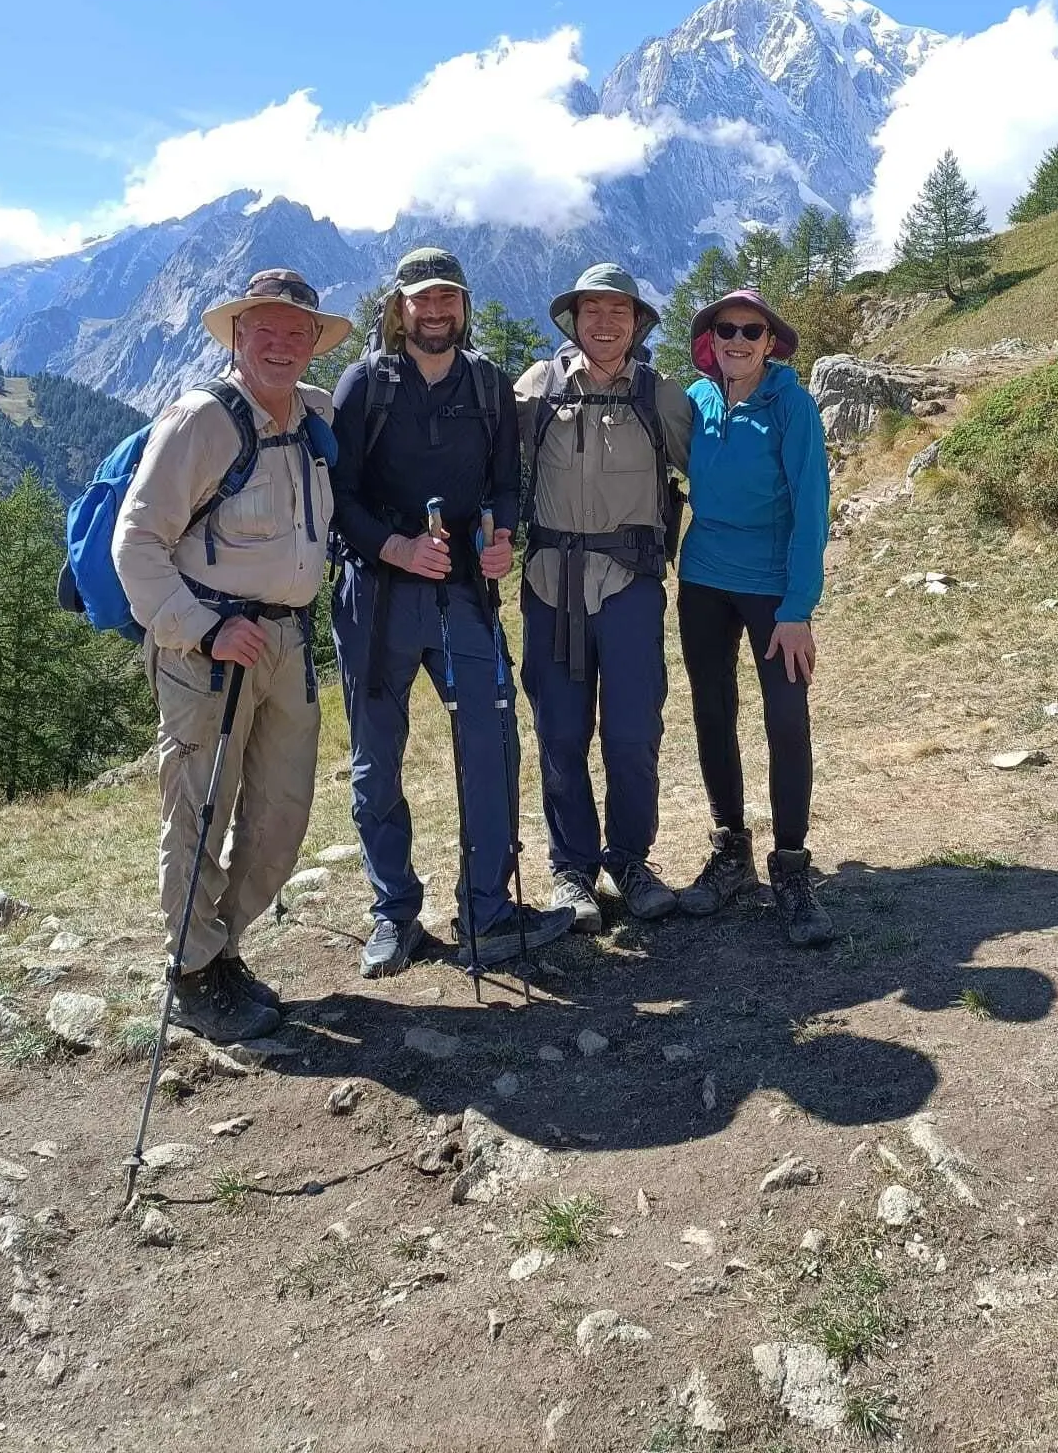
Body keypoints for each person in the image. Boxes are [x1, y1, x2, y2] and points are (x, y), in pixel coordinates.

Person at [113, 268, 350, 1044]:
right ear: (238, 335)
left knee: (280, 813)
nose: (281, 345)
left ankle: (223, 950)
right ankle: (192, 970)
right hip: (209, 650)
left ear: (314, 342)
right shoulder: (200, 423)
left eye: (296, 332)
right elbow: (136, 543)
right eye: (265, 330)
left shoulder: (313, 414)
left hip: (287, 641)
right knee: (197, 812)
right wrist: (203, 627)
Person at [330, 248, 572, 978]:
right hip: (376, 600)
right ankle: (393, 914)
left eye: (448, 300)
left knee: (493, 744)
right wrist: (395, 548)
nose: (435, 313)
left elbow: (504, 484)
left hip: (464, 592)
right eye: (421, 301)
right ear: (398, 308)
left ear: (463, 305)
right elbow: (336, 499)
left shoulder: (489, 385)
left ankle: (488, 909)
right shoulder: (363, 386)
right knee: (377, 762)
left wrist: (500, 538)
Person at [514, 264, 693, 930]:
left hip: (631, 587)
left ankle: (631, 862)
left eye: (618, 310)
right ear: (574, 319)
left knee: (632, 732)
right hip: (549, 585)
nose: (605, 322)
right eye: (592, 310)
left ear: (638, 321)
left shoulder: (661, 396)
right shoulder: (538, 388)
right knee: (559, 732)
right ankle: (572, 872)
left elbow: (711, 469)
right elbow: (483, 458)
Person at [675, 289, 834, 947]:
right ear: (709, 340)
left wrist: (797, 610)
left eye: (752, 331)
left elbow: (811, 510)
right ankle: (732, 853)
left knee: (786, 721)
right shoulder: (696, 400)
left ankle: (791, 867)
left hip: (772, 589)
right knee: (712, 712)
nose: (737, 340)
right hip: (702, 579)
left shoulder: (791, 406)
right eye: (726, 330)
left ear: (771, 343)